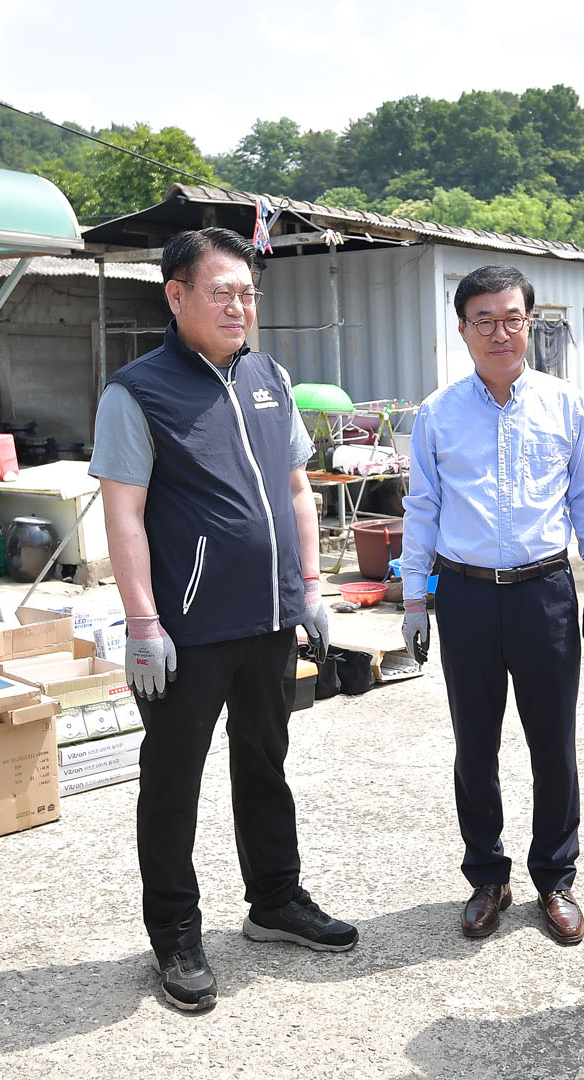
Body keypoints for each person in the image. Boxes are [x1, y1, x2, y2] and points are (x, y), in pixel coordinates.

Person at [91, 227, 354, 1015]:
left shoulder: (269, 377)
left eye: (248, 293)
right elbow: (123, 515)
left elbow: (297, 488)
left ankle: (275, 899)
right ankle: (174, 933)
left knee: (265, 761)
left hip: (269, 617)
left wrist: (311, 586)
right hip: (189, 630)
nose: (240, 306)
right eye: (221, 292)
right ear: (176, 296)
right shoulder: (138, 392)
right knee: (173, 781)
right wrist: (143, 623)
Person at [398, 264, 584, 947]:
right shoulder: (437, 414)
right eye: (484, 321)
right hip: (464, 595)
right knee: (475, 746)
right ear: (462, 329)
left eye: (512, 318)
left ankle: (555, 876)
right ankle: (487, 877)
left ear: (530, 323)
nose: (500, 333)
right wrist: (413, 600)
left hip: (544, 593)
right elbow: (422, 509)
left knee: (554, 744)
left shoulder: (564, 405)